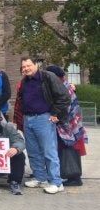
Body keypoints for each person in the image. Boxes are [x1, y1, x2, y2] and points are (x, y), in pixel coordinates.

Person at [18, 57, 70, 194]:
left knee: (49, 152)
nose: (26, 68)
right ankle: (40, 178)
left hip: (44, 119)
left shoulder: (48, 77)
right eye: (23, 67)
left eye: (28, 65)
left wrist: (56, 114)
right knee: (33, 152)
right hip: (28, 119)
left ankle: (56, 182)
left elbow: (64, 96)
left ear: (36, 65)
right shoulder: (24, 81)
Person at [45, 65, 87, 187]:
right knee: (66, 149)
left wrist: (56, 116)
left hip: (68, 126)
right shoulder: (65, 86)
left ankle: (74, 176)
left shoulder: (64, 88)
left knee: (69, 149)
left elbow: (65, 106)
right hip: (71, 125)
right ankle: (69, 175)